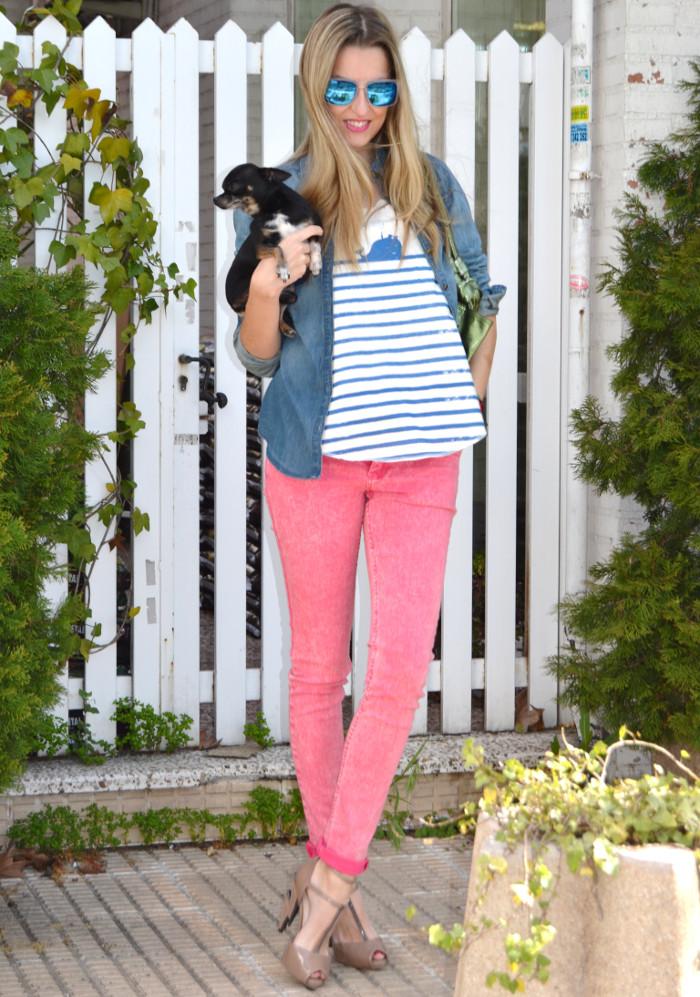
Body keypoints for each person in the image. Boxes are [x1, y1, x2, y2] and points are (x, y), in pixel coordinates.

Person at [231, 3, 506, 988]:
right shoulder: (280, 196)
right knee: (319, 673)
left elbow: (481, 298)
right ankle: (338, 897)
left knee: (393, 673)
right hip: (318, 457)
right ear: (316, 87)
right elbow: (260, 359)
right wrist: (268, 285)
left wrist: (461, 395)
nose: (358, 105)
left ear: (396, 90)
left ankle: (324, 887)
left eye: (375, 86)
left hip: (422, 460)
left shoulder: (433, 186)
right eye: (340, 87)